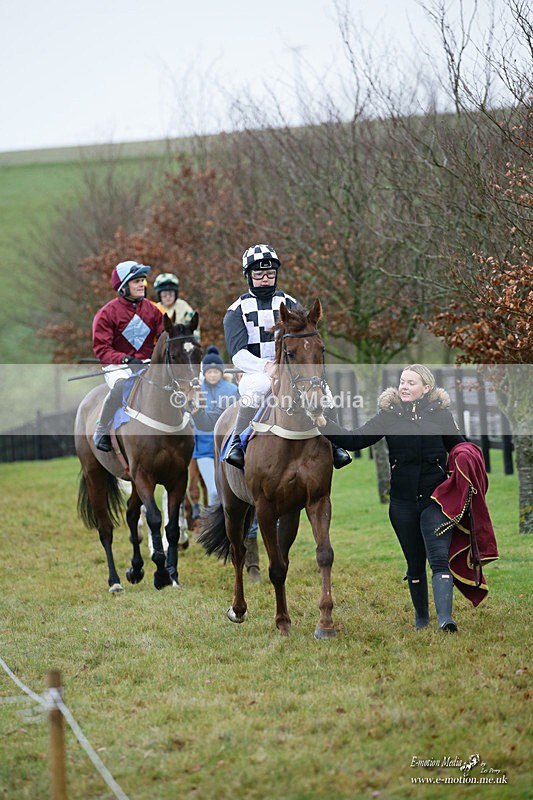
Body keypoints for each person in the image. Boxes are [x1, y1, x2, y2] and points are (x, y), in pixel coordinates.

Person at [319, 364, 467, 632]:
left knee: (438, 558)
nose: (404, 387)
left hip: (436, 500)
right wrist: (322, 423)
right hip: (402, 503)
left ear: (426, 388)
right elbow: (355, 440)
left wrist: (469, 457)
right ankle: (421, 619)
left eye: (411, 382)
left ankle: (446, 620)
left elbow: (458, 445)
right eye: (402, 381)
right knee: (414, 562)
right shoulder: (389, 415)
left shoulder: (441, 415)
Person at [223, 243, 352, 470]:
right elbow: (238, 355)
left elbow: (304, 341)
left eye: (270, 274)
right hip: (255, 371)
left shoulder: (291, 304)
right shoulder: (236, 310)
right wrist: (267, 367)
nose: (265, 279)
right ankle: (237, 444)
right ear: (248, 276)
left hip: (291, 369)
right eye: (259, 274)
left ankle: (336, 446)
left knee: (326, 393)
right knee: (256, 391)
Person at [92, 260, 165, 452]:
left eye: (142, 280)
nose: (142, 284)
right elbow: (102, 349)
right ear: (123, 287)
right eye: (136, 281)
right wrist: (126, 359)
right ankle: (102, 429)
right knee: (121, 386)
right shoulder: (106, 314)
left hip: (147, 363)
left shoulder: (153, 310)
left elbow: (165, 336)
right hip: (117, 366)